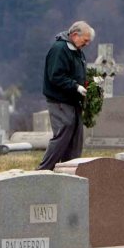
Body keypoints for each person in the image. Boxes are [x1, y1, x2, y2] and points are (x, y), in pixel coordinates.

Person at [37, 21, 94, 170]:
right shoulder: (60, 49)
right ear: (75, 35)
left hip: (73, 101)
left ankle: (69, 170)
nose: (87, 44)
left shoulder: (77, 51)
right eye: (85, 40)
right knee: (64, 131)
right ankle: (44, 169)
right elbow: (55, 76)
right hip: (60, 100)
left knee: (76, 137)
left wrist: (89, 84)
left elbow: (77, 73)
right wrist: (75, 86)